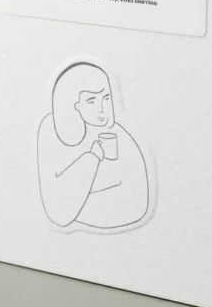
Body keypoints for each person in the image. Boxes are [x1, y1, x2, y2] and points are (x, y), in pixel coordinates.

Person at [37, 62, 149, 230]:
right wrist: (92, 157)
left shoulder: (116, 132)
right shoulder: (51, 129)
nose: (102, 109)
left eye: (106, 98)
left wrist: (80, 193)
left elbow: (137, 199)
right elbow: (58, 210)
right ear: (75, 104)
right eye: (91, 101)